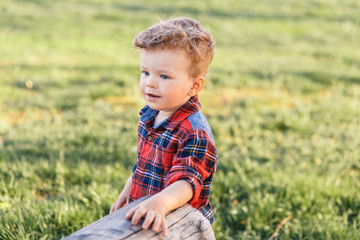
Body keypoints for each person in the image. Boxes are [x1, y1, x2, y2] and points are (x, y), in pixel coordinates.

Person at [109, 17, 217, 237]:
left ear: (194, 86)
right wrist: (127, 191)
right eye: (145, 72)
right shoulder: (151, 115)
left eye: (164, 76)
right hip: (149, 214)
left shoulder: (193, 131)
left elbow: (187, 183)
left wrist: (159, 204)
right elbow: (144, 163)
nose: (150, 82)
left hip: (180, 225)